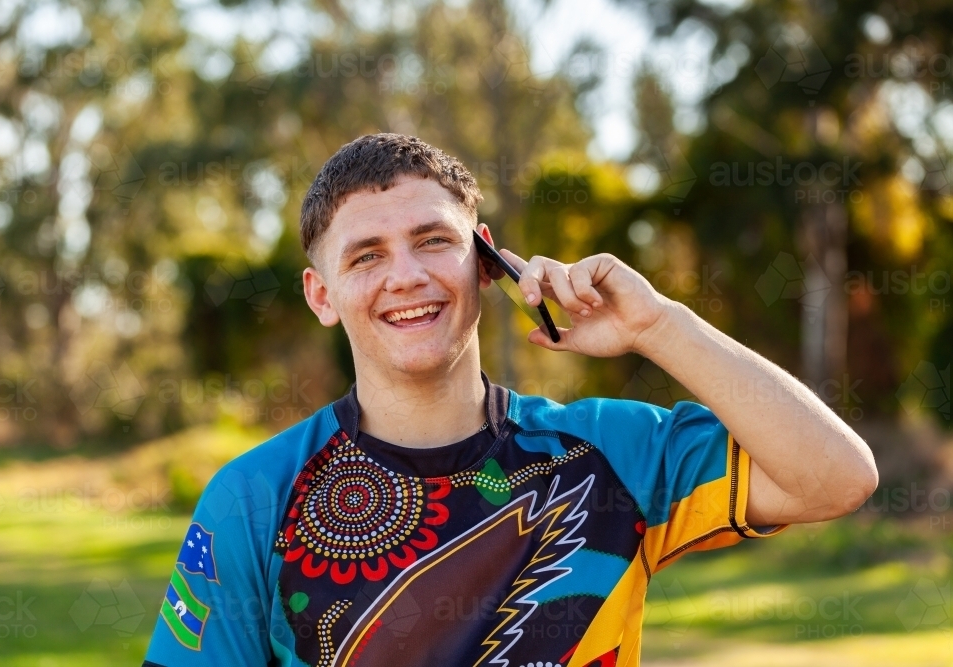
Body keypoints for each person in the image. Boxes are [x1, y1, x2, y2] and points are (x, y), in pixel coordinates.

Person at [143, 133, 878, 667]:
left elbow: (837, 475)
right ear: (321, 294)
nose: (405, 276)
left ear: (486, 260)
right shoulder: (253, 496)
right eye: (366, 255)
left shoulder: (610, 453)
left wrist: (658, 325)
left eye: (434, 240)